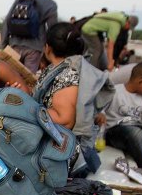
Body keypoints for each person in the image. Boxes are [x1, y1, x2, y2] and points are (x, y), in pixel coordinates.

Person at [32, 23, 113, 177]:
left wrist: (28, 109)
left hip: (66, 156)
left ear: (47, 48)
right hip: (65, 147)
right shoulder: (61, 69)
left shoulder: (68, 75)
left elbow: (64, 120)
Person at [97, 62, 142, 172]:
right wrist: (101, 114)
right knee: (136, 134)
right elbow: (100, 105)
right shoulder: (115, 91)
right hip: (115, 131)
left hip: (138, 130)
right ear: (140, 81)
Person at [0, 0, 59, 73]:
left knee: (12, 77)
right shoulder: (50, 4)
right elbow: (53, 30)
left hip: (14, 45)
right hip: (34, 49)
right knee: (27, 79)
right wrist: (49, 54)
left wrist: (3, 45)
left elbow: (7, 21)